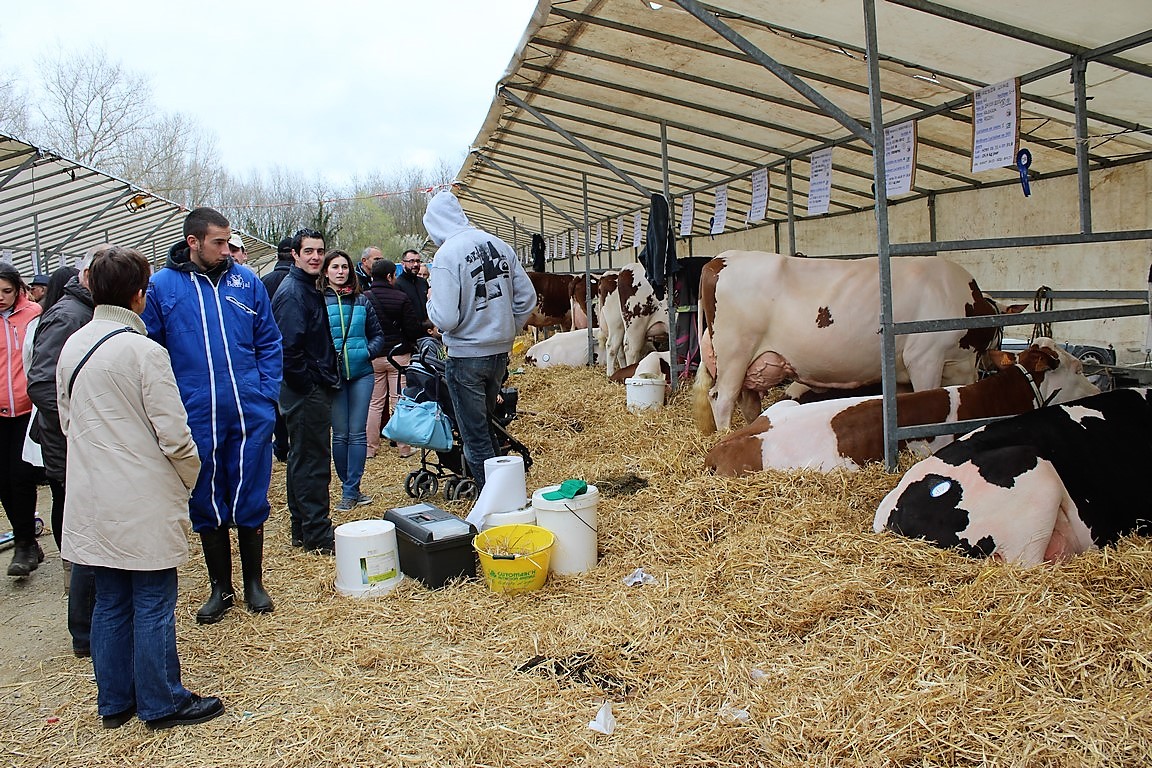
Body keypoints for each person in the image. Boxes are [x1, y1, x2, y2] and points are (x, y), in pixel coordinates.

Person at [58, 245, 224, 731]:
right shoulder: (143, 351)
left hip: (92, 492)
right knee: (153, 598)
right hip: (139, 493)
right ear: (138, 294)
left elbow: (66, 417)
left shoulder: (74, 344)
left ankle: (115, 701)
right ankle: (161, 701)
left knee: (110, 599)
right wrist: (188, 476)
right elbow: (174, 434)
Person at [143, 207, 282, 624]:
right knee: (206, 495)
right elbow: (152, 351)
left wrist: (265, 393)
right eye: (219, 243)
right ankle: (220, 586)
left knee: (251, 490)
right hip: (195, 413)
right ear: (194, 242)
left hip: (248, 408)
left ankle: (254, 582)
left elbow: (269, 341)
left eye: (228, 242)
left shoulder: (247, 281)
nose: (227, 250)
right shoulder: (162, 287)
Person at [424, 190, 535, 489]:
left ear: (434, 224)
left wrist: (430, 302)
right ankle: (506, 490)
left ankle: (495, 499)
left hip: (466, 355)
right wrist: (507, 328)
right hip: (499, 354)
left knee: (474, 435)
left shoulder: (447, 255)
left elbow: (445, 318)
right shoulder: (499, 244)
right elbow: (527, 297)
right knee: (486, 425)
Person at [25, 245, 102, 655]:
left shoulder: (83, 311)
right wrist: (84, 421)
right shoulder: (70, 316)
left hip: (78, 441)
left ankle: (89, 623)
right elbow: (40, 382)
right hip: (70, 444)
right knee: (85, 531)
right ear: (90, 275)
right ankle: (85, 631)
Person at [271, 228, 340, 554]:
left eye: (319, 251)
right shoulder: (294, 294)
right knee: (312, 463)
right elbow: (288, 350)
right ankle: (317, 535)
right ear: (295, 255)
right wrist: (309, 385)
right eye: (308, 251)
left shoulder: (305, 288)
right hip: (304, 390)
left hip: (306, 386)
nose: (315, 256)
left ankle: (303, 529)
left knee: (301, 460)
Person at [321, 250, 386, 510]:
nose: (340, 271)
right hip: (334, 376)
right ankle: (347, 485)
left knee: (357, 433)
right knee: (340, 434)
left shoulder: (362, 301)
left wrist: (366, 352)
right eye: (335, 267)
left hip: (361, 373)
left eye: (344, 267)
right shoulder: (318, 301)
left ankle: (351, 490)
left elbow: (378, 335)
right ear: (326, 271)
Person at [0, 263, 42, 576]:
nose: (1, 297)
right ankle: (23, 537)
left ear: (18, 290)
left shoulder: (33, 314)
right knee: (3, 480)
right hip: (0, 411)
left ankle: (25, 543)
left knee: (21, 477)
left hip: (27, 411)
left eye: (6, 291)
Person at [363, 258, 423, 460]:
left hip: (374, 356)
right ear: (390, 276)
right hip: (398, 356)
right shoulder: (401, 297)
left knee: (375, 402)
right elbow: (412, 328)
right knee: (399, 400)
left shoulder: (364, 298)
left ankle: (370, 448)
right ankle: (403, 447)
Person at [261, 236, 296, 463]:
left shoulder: (264, 281)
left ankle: (281, 444)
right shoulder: (299, 282)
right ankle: (293, 443)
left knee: (276, 402)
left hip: (271, 351)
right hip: (294, 350)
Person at [395, 248, 432, 333]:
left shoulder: (423, 282)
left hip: (427, 330)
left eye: (418, 261)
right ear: (403, 263)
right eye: (411, 261)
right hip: (408, 333)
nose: (415, 264)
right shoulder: (398, 284)